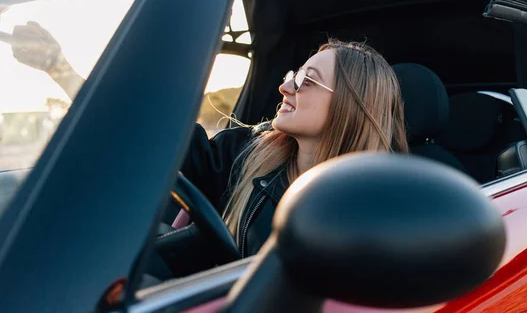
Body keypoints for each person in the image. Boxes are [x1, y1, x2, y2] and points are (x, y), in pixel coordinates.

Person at [1, 22, 409, 257]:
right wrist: (59, 68)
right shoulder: (243, 154)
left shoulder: (385, 207)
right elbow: (148, 134)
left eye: (308, 81)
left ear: (352, 106)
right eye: (291, 75)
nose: (286, 88)